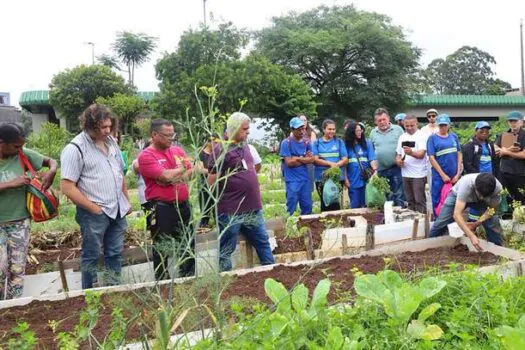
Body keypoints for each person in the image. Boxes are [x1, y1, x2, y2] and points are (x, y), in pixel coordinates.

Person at [61, 104, 131, 289]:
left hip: (117, 209)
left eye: (110, 126)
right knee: (91, 254)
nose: (108, 131)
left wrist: (125, 199)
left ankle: (112, 289)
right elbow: (67, 187)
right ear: (89, 126)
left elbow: (119, 172)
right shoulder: (75, 149)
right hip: (94, 213)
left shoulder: (112, 143)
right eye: (102, 127)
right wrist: (94, 208)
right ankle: (88, 293)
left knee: (115, 253)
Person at [208, 112, 275, 271]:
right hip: (231, 210)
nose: (248, 132)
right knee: (226, 248)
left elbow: (254, 167)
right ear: (234, 129)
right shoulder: (220, 150)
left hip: (253, 208)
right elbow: (211, 182)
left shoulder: (245, 146)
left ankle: (273, 272)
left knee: (263, 241)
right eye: (245, 129)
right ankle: (226, 281)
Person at [0, 123, 57, 300]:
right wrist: (10, 184)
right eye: (16, 146)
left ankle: (14, 307)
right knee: (0, 270)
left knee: (17, 270)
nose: (20, 149)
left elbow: (51, 161)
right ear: (2, 143)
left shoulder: (23, 155)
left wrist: (52, 171)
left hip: (20, 222)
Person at [138, 119, 195, 280]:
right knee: (162, 246)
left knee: (188, 243)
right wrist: (181, 171)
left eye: (173, 134)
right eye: (167, 135)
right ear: (154, 135)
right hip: (160, 208)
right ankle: (162, 281)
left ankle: (189, 278)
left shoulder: (177, 150)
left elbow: (193, 172)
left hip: (183, 205)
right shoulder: (146, 155)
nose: (171, 138)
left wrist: (172, 177)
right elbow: (165, 175)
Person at [429, 173, 503, 249]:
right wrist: (471, 235)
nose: (481, 197)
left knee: (492, 222)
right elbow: (457, 214)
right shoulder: (467, 184)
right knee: (441, 222)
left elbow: (491, 210)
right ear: (475, 187)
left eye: (484, 196)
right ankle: (428, 245)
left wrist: (476, 224)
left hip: (480, 203)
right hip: (457, 196)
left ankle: (497, 250)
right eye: (480, 194)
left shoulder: (497, 189)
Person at [427, 114, 462, 217]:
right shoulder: (432, 138)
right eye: (441, 125)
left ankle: (453, 219)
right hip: (439, 176)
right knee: (438, 198)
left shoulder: (454, 137)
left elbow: (459, 154)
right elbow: (431, 158)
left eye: (445, 125)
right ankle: (439, 220)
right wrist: (442, 175)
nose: (443, 127)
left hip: (454, 175)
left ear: (449, 125)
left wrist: (458, 174)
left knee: (454, 198)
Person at [369, 108, 405, 207]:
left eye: (384, 119)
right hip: (381, 170)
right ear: (375, 122)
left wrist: (400, 158)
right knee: (385, 197)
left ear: (388, 118)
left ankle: (400, 217)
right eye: (379, 120)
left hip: (396, 168)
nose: (382, 122)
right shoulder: (373, 133)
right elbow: (371, 150)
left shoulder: (398, 129)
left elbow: (404, 146)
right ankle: (388, 220)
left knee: (399, 195)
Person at [280, 117, 315, 215]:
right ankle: (291, 227)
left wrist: (298, 158)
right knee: (291, 206)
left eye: (303, 128)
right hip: (292, 180)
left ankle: (306, 228)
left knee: (307, 206)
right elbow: (289, 163)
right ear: (292, 129)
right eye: (298, 129)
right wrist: (304, 159)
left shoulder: (306, 142)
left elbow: (312, 159)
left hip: (305, 179)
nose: (301, 131)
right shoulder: (286, 143)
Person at [312, 119, 348, 212]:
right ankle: (326, 223)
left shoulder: (339, 142)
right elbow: (315, 159)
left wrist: (337, 165)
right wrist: (330, 164)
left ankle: (337, 222)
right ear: (323, 129)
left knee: (335, 202)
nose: (332, 131)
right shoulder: (317, 143)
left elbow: (345, 159)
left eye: (333, 129)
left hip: (336, 178)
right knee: (325, 202)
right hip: (321, 178)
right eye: (329, 129)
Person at [395, 115, 427, 214]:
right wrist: (398, 160)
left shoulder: (422, 135)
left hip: (419, 174)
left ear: (417, 124)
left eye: (412, 126)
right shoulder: (402, 136)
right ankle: (411, 222)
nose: (409, 128)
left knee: (419, 200)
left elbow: (421, 154)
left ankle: (422, 221)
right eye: (406, 126)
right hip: (405, 173)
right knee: (409, 200)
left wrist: (411, 153)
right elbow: (398, 153)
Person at [344, 121, 377, 208]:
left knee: (367, 204)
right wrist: (346, 179)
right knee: (355, 204)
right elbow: (344, 165)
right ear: (351, 132)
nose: (360, 132)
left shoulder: (367, 143)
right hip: (353, 179)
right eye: (357, 131)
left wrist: (375, 171)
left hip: (366, 178)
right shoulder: (346, 145)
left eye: (360, 130)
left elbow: (372, 159)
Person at [495, 111, 525, 205]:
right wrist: (508, 149)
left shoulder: (524, 135)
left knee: (521, 198)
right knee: (507, 198)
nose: (513, 123)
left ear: (521, 122)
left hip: (520, 173)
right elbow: (495, 148)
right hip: (504, 172)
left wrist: (506, 152)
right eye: (510, 121)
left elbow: (524, 154)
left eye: (515, 121)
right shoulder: (503, 135)